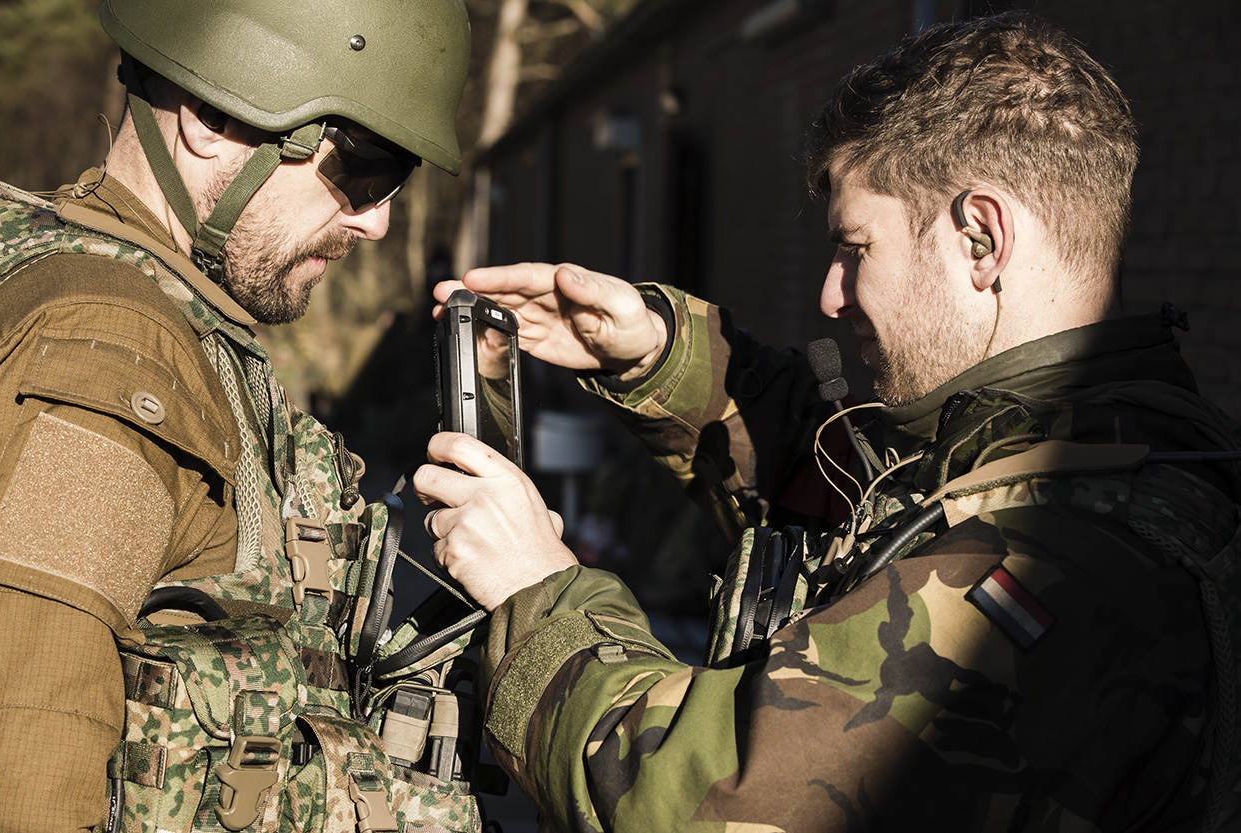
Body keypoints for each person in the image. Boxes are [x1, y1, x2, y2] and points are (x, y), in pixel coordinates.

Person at [415, 12, 1241, 832]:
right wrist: (656, 352)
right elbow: (850, 491)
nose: (831, 294)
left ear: (982, 239)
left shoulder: (1050, 566)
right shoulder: (1078, 446)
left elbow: (688, 801)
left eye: (855, 248)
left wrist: (535, 586)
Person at [0, 2, 482, 832]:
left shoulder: (156, 309)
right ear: (212, 119)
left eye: (397, 182)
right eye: (363, 168)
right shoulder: (111, 353)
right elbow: (22, 766)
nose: (377, 220)